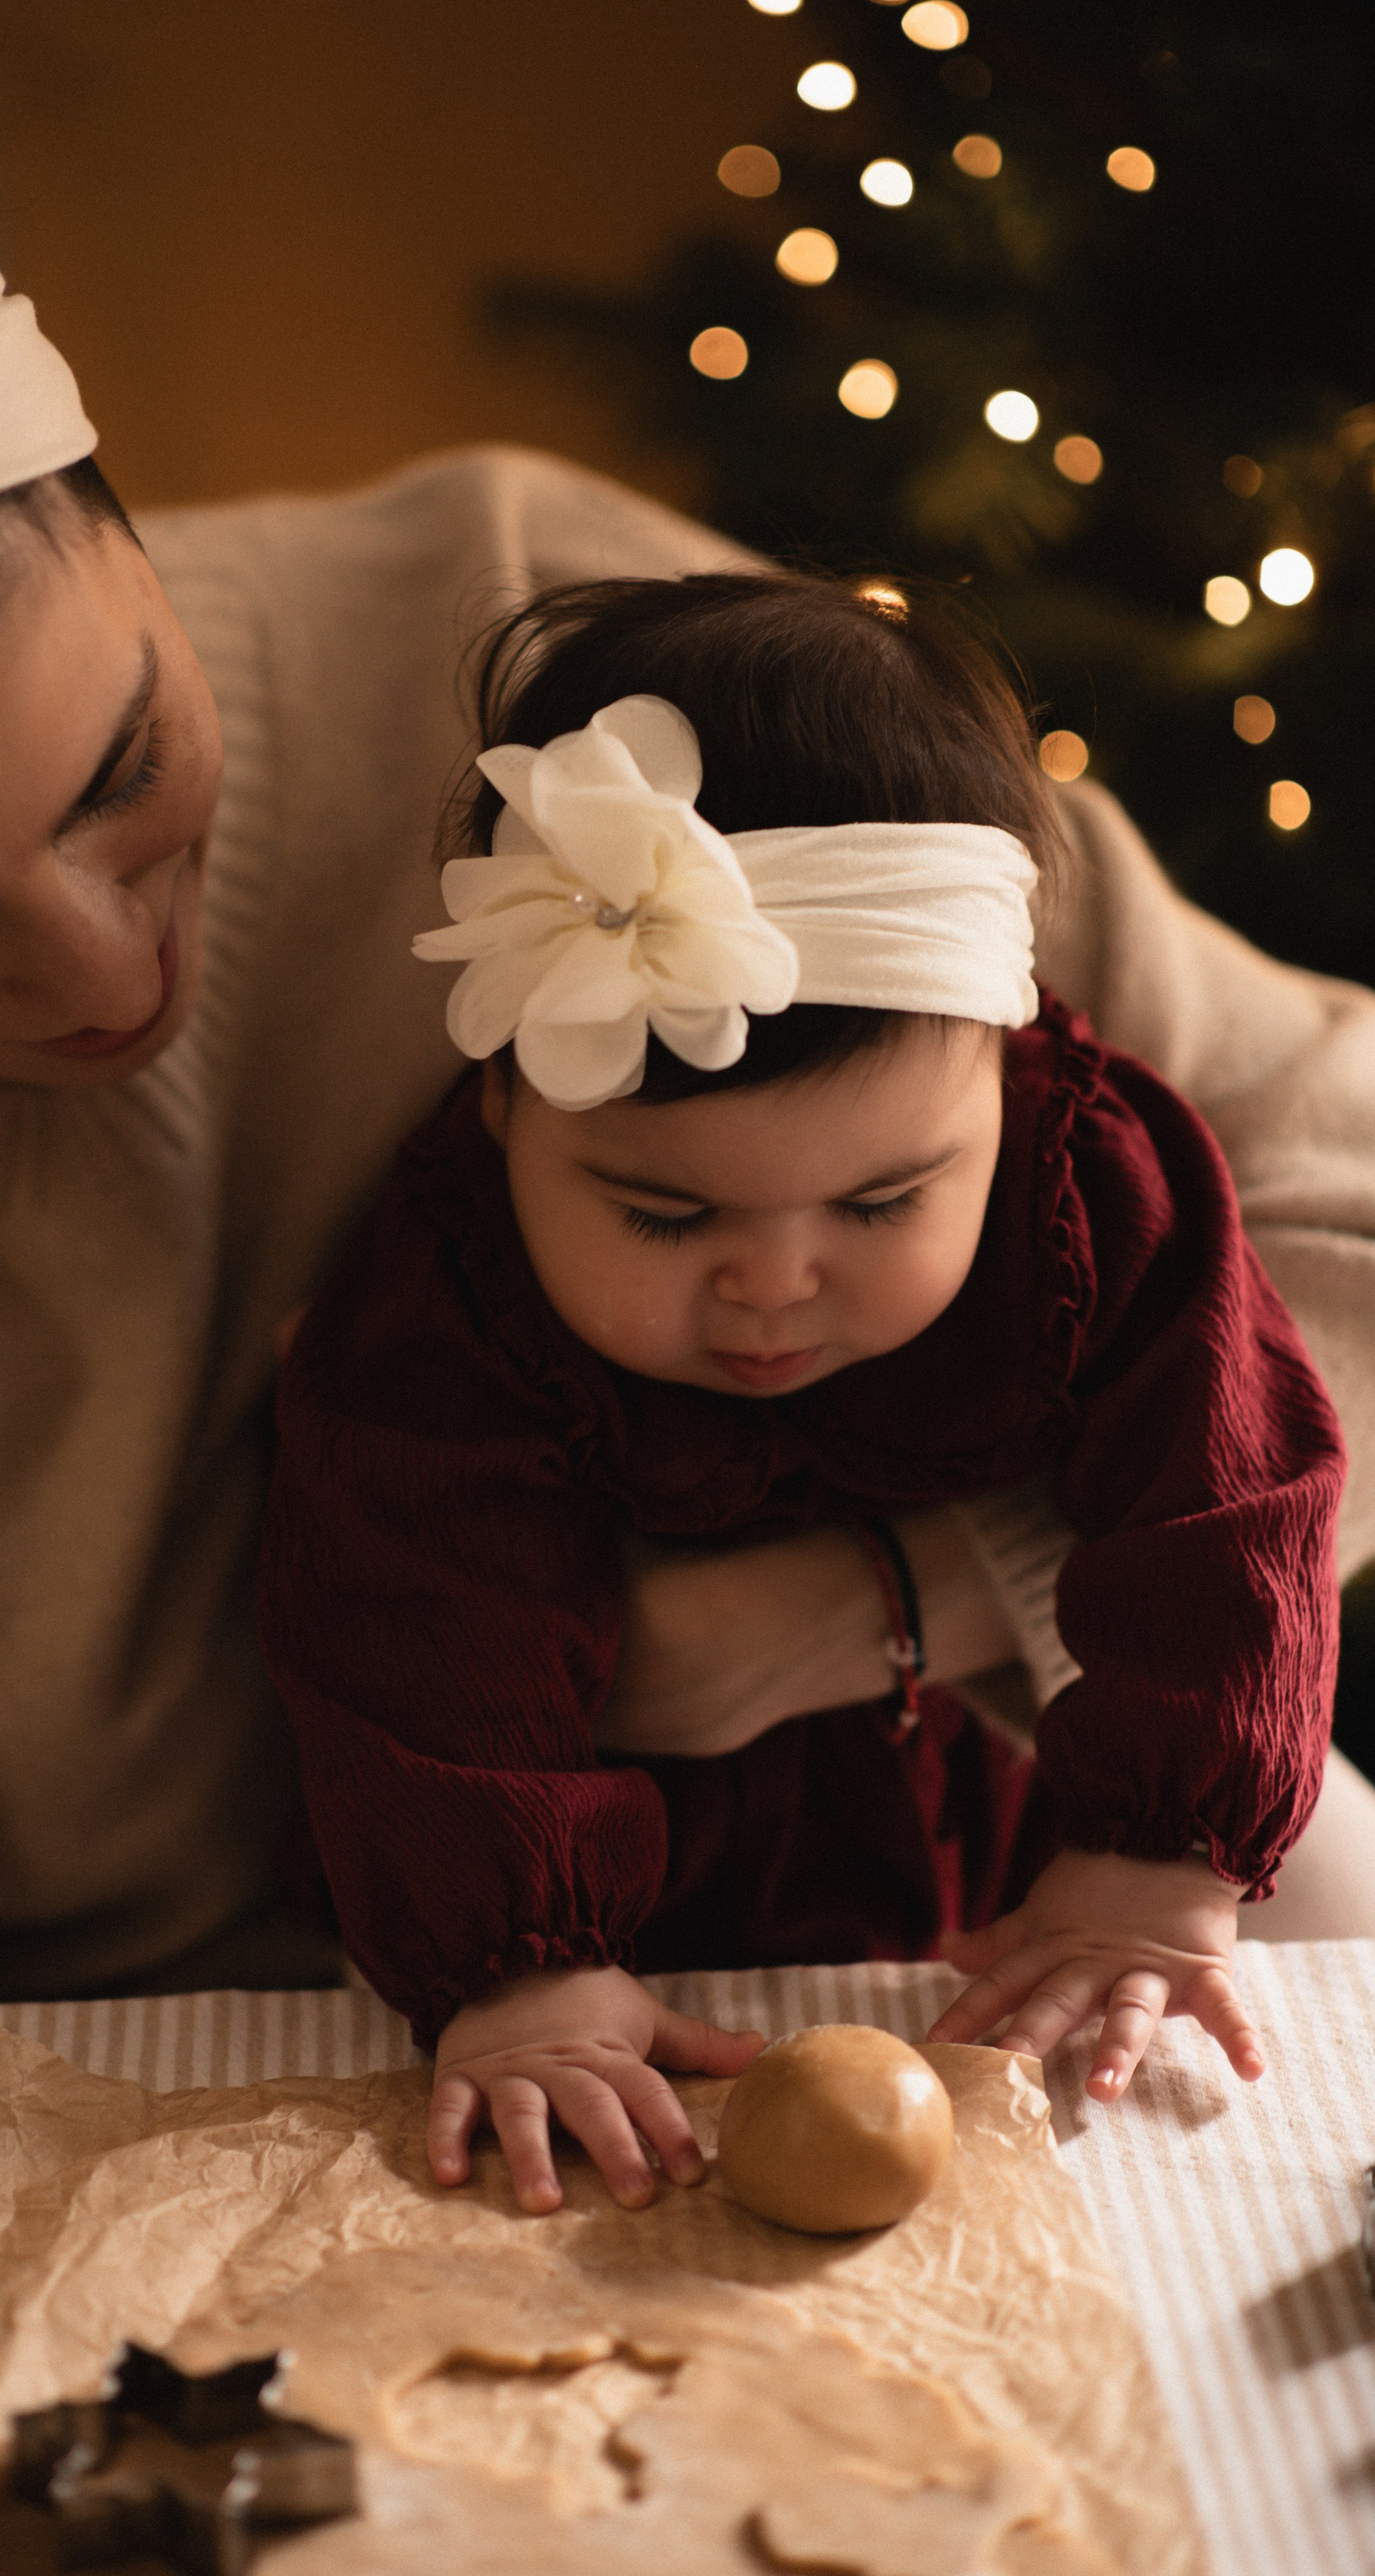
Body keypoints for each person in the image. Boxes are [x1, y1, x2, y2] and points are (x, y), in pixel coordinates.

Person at [0, 55, 1373, 2023]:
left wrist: (888, 1607)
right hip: (175, 2089)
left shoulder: (580, 677)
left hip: (983, 1911)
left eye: (124, 761)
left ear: (107, 502)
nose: (106, 974)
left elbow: (1341, 1208)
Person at [256, 574, 1346, 2212]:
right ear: (501, 1113)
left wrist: (1146, 1857)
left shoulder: (1094, 1181)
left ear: (1012, 1068)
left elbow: (1233, 1494)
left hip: (1003, 1843)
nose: (774, 1283)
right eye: (662, 1215)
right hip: (593, 1894)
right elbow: (407, 1625)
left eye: (882, 1202)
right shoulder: (440, 1293)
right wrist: (517, 1966)